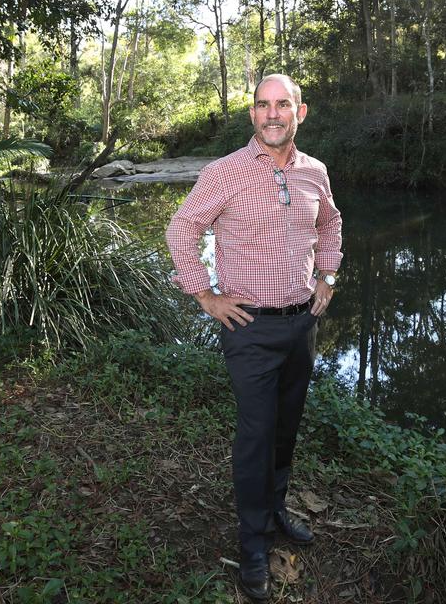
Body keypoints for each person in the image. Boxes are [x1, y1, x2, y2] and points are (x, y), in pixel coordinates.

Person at [166, 73, 342, 601]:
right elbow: (182, 229)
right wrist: (206, 295)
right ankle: (252, 545)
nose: (272, 114)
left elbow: (330, 224)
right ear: (252, 115)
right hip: (249, 328)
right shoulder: (226, 172)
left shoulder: (315, 172)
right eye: (263, 105)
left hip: (301, 323)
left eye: (282, 105)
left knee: (286, 427)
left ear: (300, 113)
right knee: (256, 434)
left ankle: (276, 511)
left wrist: (327, 277)